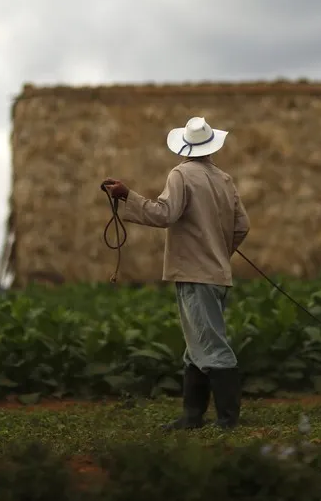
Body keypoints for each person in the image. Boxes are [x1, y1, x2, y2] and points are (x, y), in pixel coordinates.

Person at [102, 115, 250, 430]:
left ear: (184, 146)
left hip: (195, 276)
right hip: (218, 275)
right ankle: (192, 417)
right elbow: (242, 226)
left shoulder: (181, 175)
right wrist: (220, 254)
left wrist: (128, 195)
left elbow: (165, 214)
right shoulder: (224, 179)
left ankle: (227, 421)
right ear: (211, 145)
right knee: (197, 344)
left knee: (210, 346)